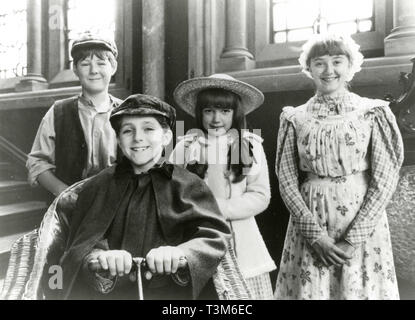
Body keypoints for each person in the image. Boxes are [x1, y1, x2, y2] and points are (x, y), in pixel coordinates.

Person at [55, 94, 230, 300]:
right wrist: (99, 255)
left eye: (148, 129)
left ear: (166, 137)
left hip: (172, 297)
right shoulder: (99, 185)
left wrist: (182, 254)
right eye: (128, 131)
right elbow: (80, 241)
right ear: (119, 140)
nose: (138, 138)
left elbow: (213, 235)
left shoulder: (189, 185)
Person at [274, 33, 404, 300]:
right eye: (319, 63)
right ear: (309, 68)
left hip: (361, 225)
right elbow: (286, 180)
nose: (329, 70)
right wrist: (315, 237)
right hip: (310, 223)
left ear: (350, 65)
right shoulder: (294, 117)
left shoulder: (372, 112)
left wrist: (352, 239)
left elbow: (386, 178)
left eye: (337, 61)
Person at [170, 73, 276, 300]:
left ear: (235, 113)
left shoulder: (249, 145)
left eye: (225, 111)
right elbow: (169, 191)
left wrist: (222, 208)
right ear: (200, 113)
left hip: (240, 240)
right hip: (196, 235)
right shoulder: (186, 146)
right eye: (209, 111)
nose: (216, 118)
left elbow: (260, 194)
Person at [26, 31, 122, 198]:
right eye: (85, 64)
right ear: (75, 69)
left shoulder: (128, 111)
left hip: (118, 205)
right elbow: (37, 162)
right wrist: (65, 194)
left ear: (113, 67)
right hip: (69, 209)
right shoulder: (58, 112)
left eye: (101, 63)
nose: (94, 71)